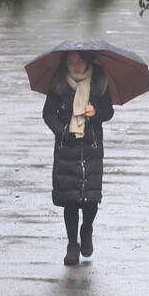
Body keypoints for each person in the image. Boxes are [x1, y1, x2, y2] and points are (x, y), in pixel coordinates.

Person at [42, 51, 115, 265]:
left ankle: (87, 229)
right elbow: (48, 114)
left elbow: (108, 112)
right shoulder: (58, 85)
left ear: (88, 62)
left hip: (91, 148)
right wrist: (62, 132)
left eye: (80, 62)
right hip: (67, 149)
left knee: (91, 198)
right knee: (70, 200)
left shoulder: (100, 83)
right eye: (71, 62)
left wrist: (96, 114)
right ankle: (72, 245)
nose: (75, 67)